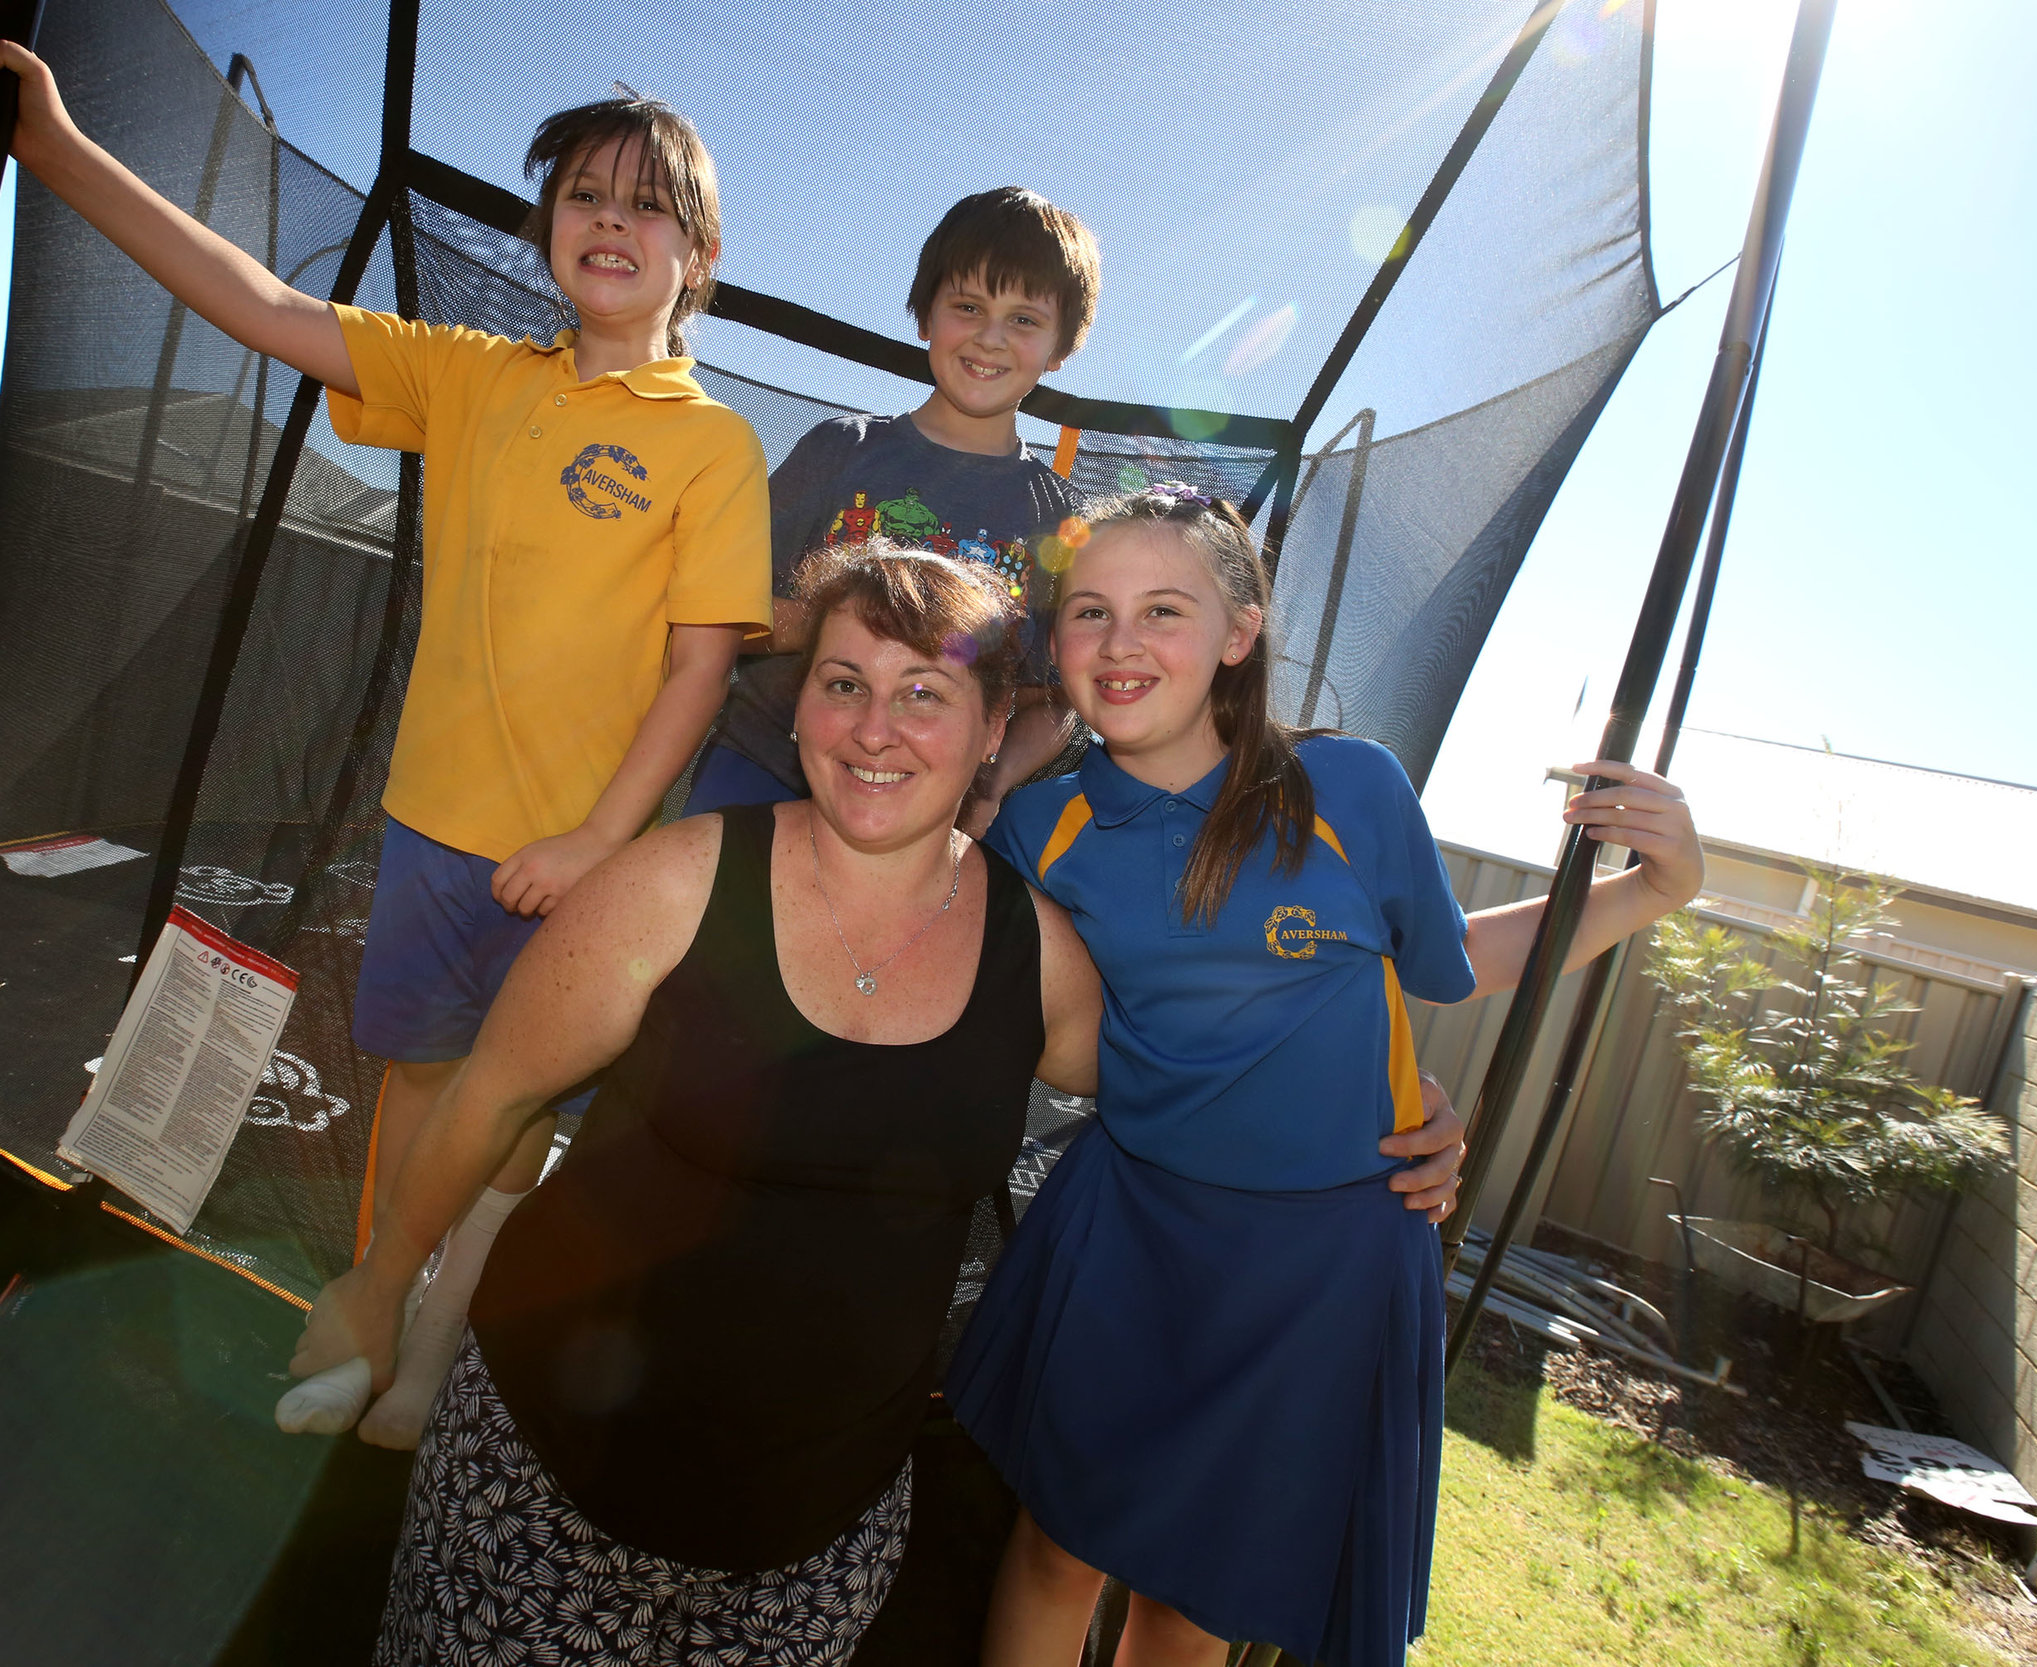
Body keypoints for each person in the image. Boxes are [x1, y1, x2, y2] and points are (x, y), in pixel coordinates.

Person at [283, 544, 1470, 1663]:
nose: (874, 729)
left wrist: (1406, 1100)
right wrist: (379, 1284)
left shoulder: (1036, 953)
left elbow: (1226, 1055)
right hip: (539, 1483)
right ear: (796, 706)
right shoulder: (669, 884)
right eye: (843, 682)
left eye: (924, 693)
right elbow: (490, 1100)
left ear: (993, 728)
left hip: (809, 1550)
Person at [0, 24, 771, 1441]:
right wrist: (57, 148)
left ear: (697, 252)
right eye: (584, 194)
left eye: (646, 203)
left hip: (586, 861)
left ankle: (432, 1316)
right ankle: (370, 1316)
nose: (610, 221)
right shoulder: (471, 374)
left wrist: (592, 842)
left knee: (516, 1113)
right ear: (547, 227)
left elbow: (699, 672)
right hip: (435, 825)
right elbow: (262, 304)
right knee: (425, 1080)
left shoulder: (712, 444)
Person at [951, 487, 1707, 1667]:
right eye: (1089, 611)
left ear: (1239, 631)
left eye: (1165, 608)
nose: (1122, 641)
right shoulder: (1036, 829)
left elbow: (1454, 965)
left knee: (1190, 1601)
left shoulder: (1349, 789)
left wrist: (1652, 890)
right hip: (1133, 1229)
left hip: (1325, 1260)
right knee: (1058, 1546)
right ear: (1055, 641)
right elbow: (1018, 1017)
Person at [685, 188, 1101, 834]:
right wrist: (843, 627)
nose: (990, 338)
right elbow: (724, 612)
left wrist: (991, 782)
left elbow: (1052, 696)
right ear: (925, 315)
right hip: (763, 769)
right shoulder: (840, 451)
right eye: (968, 306)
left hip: (922, 809)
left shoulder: (1062, 519)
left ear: (1059, 347)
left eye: (1023, 319)